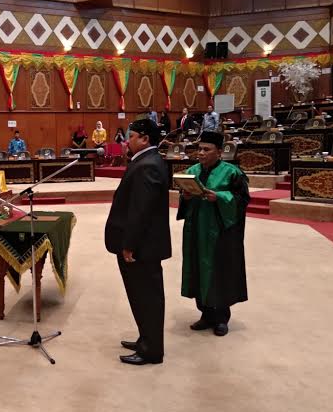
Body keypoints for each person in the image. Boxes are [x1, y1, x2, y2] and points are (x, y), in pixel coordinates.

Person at [105, 119, 171, 366]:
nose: (126, 141)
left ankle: (151, 350)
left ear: (144, 139)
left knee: (147, 297)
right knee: (140, 296)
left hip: (142, 247)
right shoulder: (145, 160)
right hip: (142, 245)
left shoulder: (148, 165)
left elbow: (141, 210)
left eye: (131, 136)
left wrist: (129, 244)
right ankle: (146, 338)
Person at [177, 131, 250, 337]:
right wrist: (186, 196)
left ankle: (221, 318)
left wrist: (219, 197)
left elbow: (242, 200)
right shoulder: (192, 171)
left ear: (219, 152)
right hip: (196, 230)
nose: (200, 153)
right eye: (199, 149)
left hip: (220, 233)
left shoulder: (232, 173)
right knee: (198, 270)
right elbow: (184, 197)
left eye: (206, 149)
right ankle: (206, 314)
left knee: (220, 271)